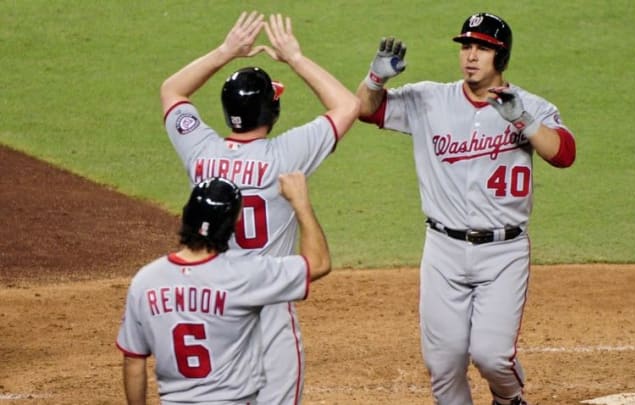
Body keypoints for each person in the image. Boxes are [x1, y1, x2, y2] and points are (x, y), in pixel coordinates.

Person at [356, 11, 576, 405]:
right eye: (467, 46)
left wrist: (523, 120)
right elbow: (366, 110)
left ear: (501, 56)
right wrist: (375, 80)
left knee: (492, 357)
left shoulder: (530, 106)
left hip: (503, 252)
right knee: (443, 363)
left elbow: (564, 155)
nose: (471, 56)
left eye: (483, 49)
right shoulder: (429, 99)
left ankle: (509, 400)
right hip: (443, 250)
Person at [160, 11, 360, 404]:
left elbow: (172, 91)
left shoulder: (200, 151)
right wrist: (295, 57)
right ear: (272, 111)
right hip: (268, 303)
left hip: (211, 302)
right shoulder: (287, 154)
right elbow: (347, 105)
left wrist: (225, 51)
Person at [116, 173, 331, 405]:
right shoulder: (245, 274)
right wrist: (300, 202)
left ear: (186, 215)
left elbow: (134, 362)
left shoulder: (146, 280)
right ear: (232, 225)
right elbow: (318, 263)